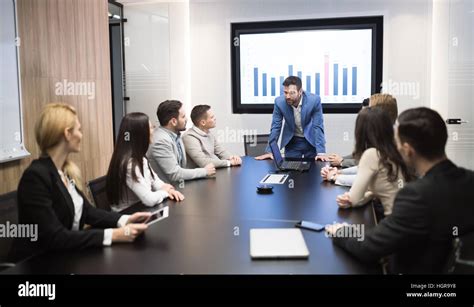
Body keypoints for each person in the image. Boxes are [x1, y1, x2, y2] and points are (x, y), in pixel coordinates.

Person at [326, 107, 474, 274]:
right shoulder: (469, 180)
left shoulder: (415, 196)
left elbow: (369, 247)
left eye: (396, 143)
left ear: (408, 150)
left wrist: (341, 231)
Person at [10, 103, 152, 261]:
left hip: (64, 257)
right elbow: (54, 237)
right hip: (38, 264)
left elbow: (88, 212)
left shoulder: (62, 171)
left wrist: (124, 219)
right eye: (78, 130)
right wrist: (114, 235)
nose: (81, 135)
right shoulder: (35, 177)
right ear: (67, 134)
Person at [324, 107, 412, 216]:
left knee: (340, 231)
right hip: (409, 218)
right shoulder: (395, 150)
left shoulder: (372, 154)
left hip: (393, 223)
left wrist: (335, 178)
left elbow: (354, 198)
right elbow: (384, 187)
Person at [106, 112, 184, 212]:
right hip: (129, 215)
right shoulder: (129, 164)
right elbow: (149, 200)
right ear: (140, 134)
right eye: (151, 128)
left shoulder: (140, 157)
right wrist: (165, 193)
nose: (153, 131)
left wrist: (166, 188)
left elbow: (154, 180)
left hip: (141, 209)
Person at [255, 76, 325, 160]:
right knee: (290, 168)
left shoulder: (314, 100)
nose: (287, 96)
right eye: (285, 92)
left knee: (313, 169)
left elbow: (317, 126)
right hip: (292, 140)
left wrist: (321, 152)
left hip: (310, 139)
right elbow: (276, 127)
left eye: (291, 93)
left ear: (300, 92)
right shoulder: (279, 102)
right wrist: (270, 151)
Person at [147, 100, 216, 183]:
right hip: (167, 192)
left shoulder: (176, 135)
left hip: (180, 187)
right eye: (183, 117)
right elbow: (175, 174)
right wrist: (204, 171)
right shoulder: (160, 141)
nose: (186, 119)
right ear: (173, 121)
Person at [323, 94, 398, 168]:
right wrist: (338, 159)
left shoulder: (389, 138)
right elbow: (360, 155)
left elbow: (369, 162)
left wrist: (342, 162)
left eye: (369, 110)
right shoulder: (379, 133)